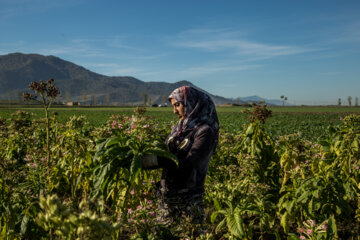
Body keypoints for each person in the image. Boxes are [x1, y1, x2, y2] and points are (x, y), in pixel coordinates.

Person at [142, 86, 219, 227]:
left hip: (188, 199)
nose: (174, 111)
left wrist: (157, 160)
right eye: (173, 106)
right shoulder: (177, 130)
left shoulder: (204, 131)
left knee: (188, 233)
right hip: (167, 196)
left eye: (177, 105)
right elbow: (164, 153)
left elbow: (189, 164)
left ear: (192, 103)